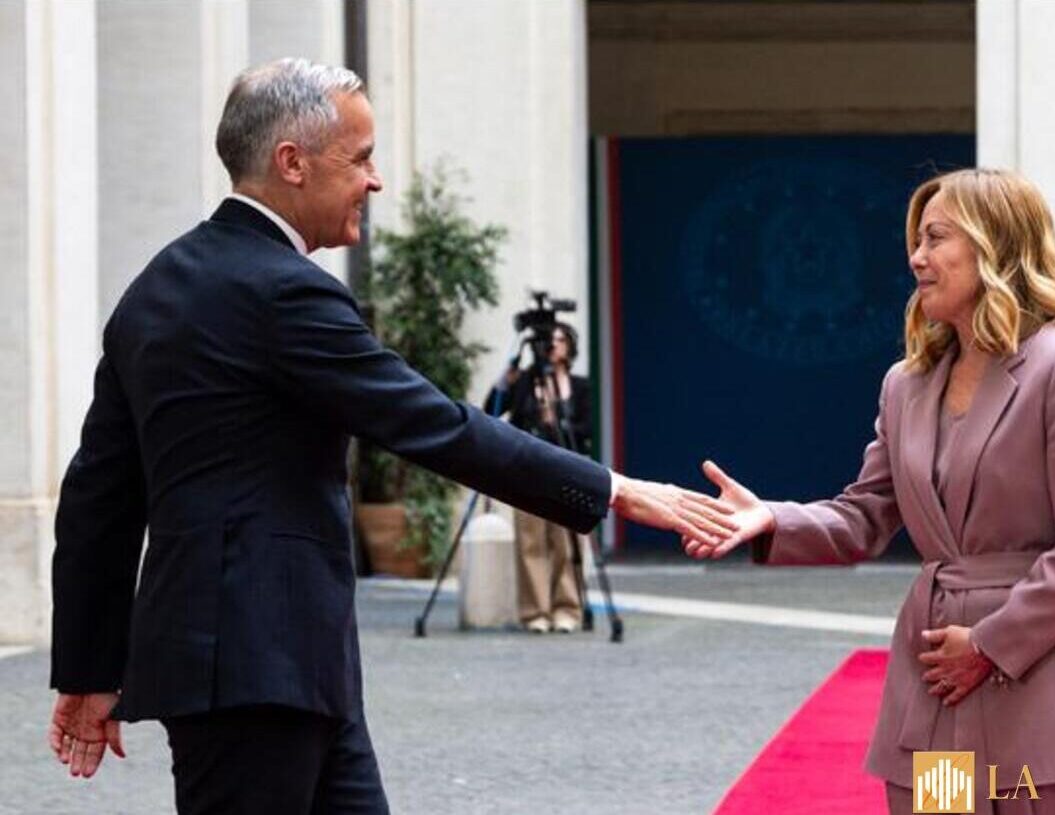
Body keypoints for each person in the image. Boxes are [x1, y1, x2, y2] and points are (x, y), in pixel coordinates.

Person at [46, 58, 735, 814]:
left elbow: (97, 499)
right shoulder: (285, 291)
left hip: (289, 669)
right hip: (258, 672)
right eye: (362, 157)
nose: (375, 180)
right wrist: (617, 488)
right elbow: (437, 425)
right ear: (292, 163)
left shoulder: (154, 287)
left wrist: (87, 667)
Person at [685, 169, 1055, 814]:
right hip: (936, 673)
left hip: (1035, 674)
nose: (915, 257)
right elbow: (864, 515)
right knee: (937, 809)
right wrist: (770, 521)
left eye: (936, 237)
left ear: (995, 246)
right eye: (917, 240)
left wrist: (990, 645)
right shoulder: (907, 382)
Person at [487, 323, 593, 633]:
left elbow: (588, 429)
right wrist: (504, 381)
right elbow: (491, 410)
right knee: (531, 542)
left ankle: (567, 609)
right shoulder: (524, 382)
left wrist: (556, 418)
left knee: (567, 542)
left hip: (570, 469)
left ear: (570, 347)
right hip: (528, 471)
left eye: (560, 340)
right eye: (549, 340)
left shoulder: (582, 386)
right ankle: (535, 612)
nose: (553, 346)